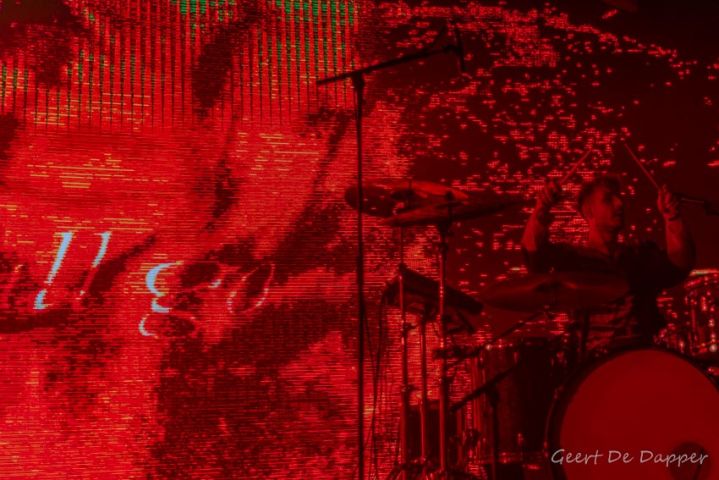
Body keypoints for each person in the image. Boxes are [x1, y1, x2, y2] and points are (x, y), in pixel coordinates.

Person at [520, 174, 695, 348]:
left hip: (643, 356)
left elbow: (680, 264)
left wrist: (672, 218)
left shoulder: (639, 256)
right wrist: (541, 208)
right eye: (608, 199)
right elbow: (533, 253)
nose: (619, 203)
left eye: (619, 197)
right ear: (589, 212)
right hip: (593, 360)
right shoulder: (572, 260)